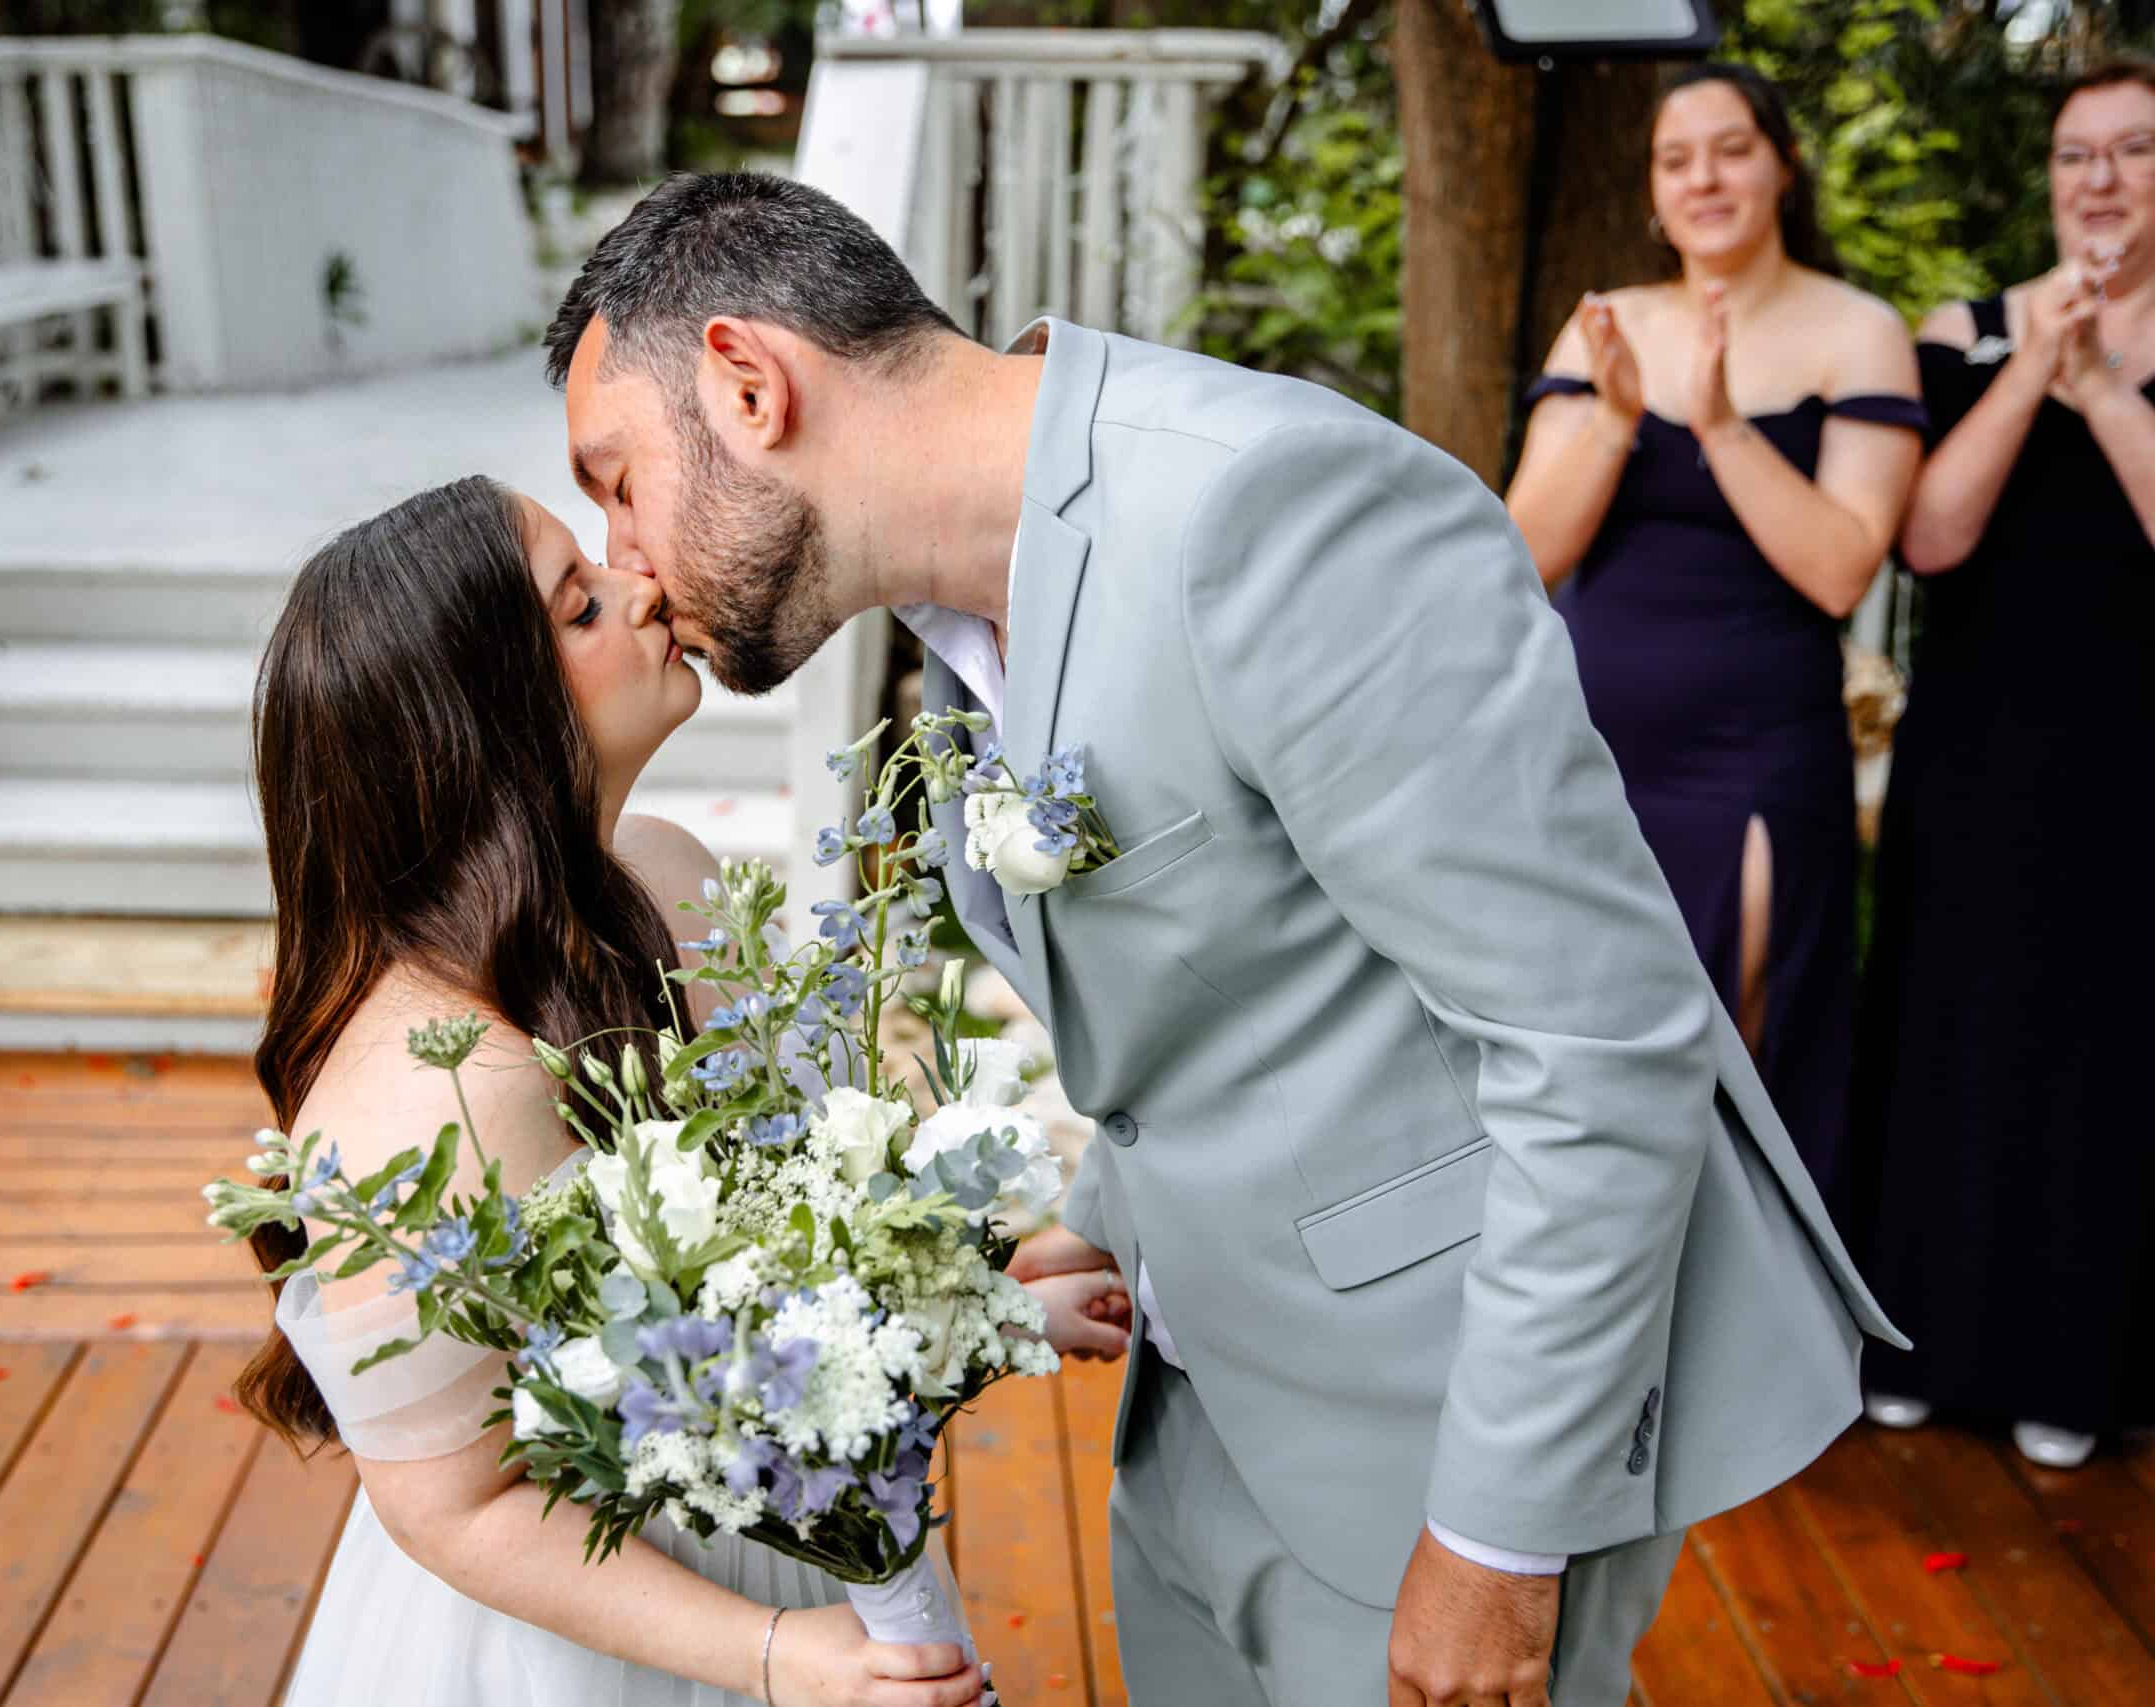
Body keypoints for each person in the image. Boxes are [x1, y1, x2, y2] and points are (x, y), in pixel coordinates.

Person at [547, 170, 1903, 1707]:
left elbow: (1597, 1045)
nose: (624, 555)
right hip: (1199, 1409)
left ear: (749, 383)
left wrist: (1496, 1536)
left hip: (1437, 1440)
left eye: (619, 480)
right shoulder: (961, 619)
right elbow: (1236, 972)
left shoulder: (1271, 510)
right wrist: (1107, 1207)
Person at [235, 476, 1130, 1705]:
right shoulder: (425, 1095)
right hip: (607, 1635)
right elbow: (454, 1507)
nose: (641, 586)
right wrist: (772, 1656)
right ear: (483, 718)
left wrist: (972, 1299)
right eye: (578, 605)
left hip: (796, 1549)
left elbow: (788, 1244)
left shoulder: (664, 873)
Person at [1504, 63, 1925, 1218]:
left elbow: (1841, 566)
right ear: (1651, 190)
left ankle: (1755, 1312)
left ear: (1782, 165)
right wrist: (1617, 422)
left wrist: (1723, 425)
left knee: (1740, 1042)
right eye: (1675, 159)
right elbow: (1523, 553)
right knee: (1589, 1041)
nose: (1704, 179)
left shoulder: (1859, 331)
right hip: (1596, 748)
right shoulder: (1606, 324)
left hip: (1756, 754)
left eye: (1731, 149)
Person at [1850, 60, 2155, 1472]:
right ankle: (1916, 1342)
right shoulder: (1963, 331)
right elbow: (1927, 537)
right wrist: (2037, 365)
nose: (2101, 181)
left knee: (2103, 1051)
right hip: (1977, 749)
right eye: (2076, 155)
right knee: (1946, 1028)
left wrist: (2102, 390)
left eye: (2134, 152)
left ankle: (2067, 1366)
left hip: (2132, 757)